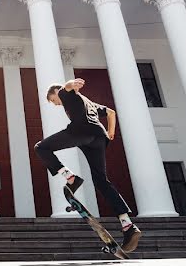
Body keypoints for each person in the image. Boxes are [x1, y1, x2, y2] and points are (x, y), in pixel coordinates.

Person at [35, 79, 141, 253]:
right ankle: (127, 225)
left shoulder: (64, 93)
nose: (56, 104)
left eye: (53, 101)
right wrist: (111, 132)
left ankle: (70, 177)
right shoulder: (89, 103)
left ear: (55, 94)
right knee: (101, 181)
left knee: (41, 147)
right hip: (98, 138)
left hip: (80, 132)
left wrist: (70, 84)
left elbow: (66, 87)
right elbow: (111, 113)